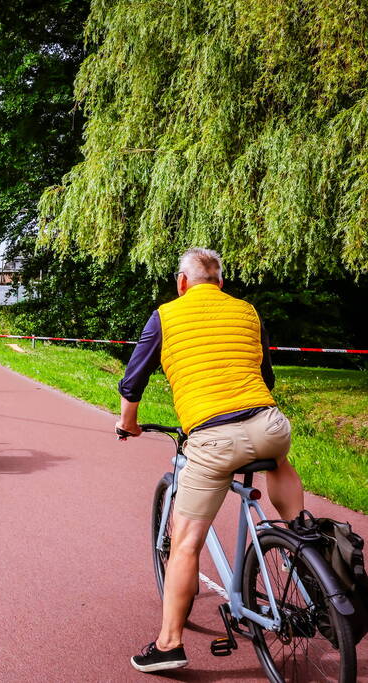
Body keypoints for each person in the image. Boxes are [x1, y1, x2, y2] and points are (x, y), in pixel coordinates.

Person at [116, 247, 305, 673]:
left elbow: (134, 379)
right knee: (277, 461)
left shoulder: (166, 314)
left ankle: (168, 645)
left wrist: (128, 423)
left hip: (213, 439)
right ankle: (301, 542)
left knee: (184, 545)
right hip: (269, 424)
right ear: (220, 283)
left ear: (182, 283)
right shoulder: (247, 311)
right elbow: (265, 373)